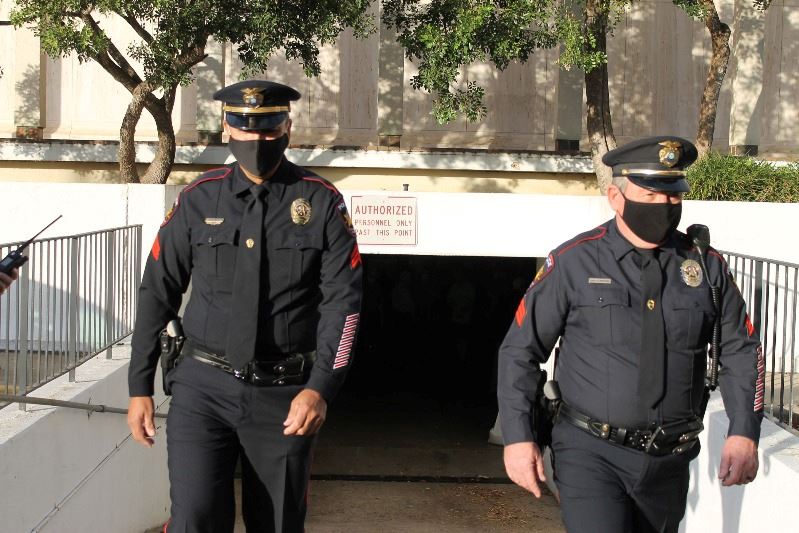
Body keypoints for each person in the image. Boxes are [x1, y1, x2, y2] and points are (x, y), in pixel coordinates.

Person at [126, 80, 363, 533]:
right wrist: (140, 385)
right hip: (202, 389)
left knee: (276, 524)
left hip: (286, 395)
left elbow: (344, 307)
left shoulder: (321, 203)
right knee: (194, 518)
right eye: (246, 129)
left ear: (288, 127)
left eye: (269, 130)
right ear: (226, 128)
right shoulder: (198, 200)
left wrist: (321, 388)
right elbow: (158, 291)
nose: (257, 141)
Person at [498, 136, 763, 533]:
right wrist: (518, 438)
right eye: (651, 195)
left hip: (670, 461)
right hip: (590, 454)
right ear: (615, 197)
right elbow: (520, 350)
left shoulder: (705, 268)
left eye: (673, 196)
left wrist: (744, 432)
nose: (664, 206)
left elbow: (742, 351)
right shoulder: (574, 262)